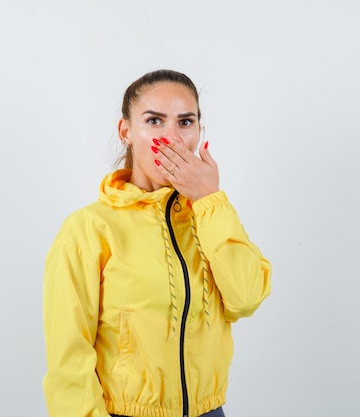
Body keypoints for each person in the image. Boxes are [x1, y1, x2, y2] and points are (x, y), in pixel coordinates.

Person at [42, 69, 272, 417]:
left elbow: (246, 298)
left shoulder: (211, 217)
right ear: (126, 132)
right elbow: (68, 360)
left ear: (199, 131)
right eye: (154, 121)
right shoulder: (87, 229)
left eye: (185, 122)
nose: (172, 138)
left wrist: (211, 200)